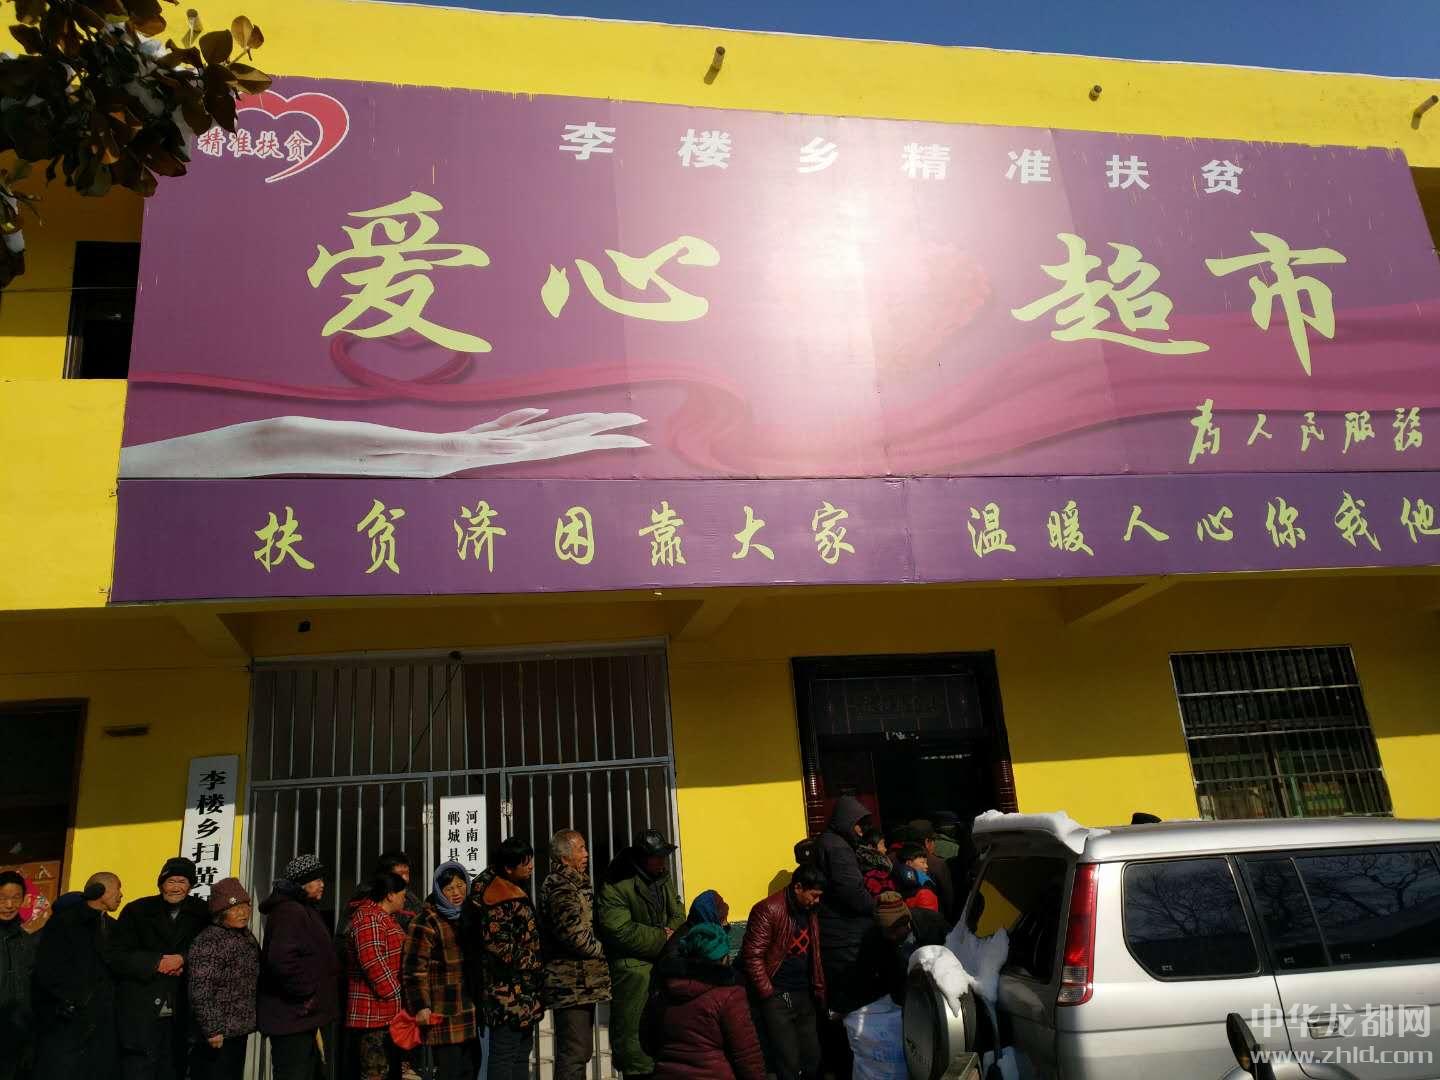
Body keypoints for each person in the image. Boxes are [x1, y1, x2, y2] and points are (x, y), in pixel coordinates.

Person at [109, 856, 210, 1080]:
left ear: (191, 886)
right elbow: (116, 955)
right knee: (138, 1069)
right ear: (161, 884)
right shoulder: (137, 910)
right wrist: (156, 962)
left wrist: (183, 959)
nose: (176, 887)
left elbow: (210, 949)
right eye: (171, 881)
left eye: (182, 882)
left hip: (183, 1009)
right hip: (141, 1008)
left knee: (173, 1068)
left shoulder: (203, 912)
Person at [597, 829, 686, 1078]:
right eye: (658, 857)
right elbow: (619, 930)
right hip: (633, 974)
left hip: (665, 968)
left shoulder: (662, 877)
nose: (663, 861)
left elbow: (678, 912)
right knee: (635, 1044)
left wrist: (672, 934)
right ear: (643, 858)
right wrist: (662, 937)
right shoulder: (615, 883)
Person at [740, 864, 827, 1080]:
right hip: (778, 995)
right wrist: (768, 993)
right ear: (798, 888)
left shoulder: (811, 910)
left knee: (812, 1056)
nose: (817, 901)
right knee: (788, 1059)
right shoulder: (768, 910)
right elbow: (752, 956)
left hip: (804, 992)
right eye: (814, 895)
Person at [32, 872, 123, 1080]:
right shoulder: (65, 923)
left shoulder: (115, 927)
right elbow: (48, 970)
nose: (121, 895)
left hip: (104, 1022)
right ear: (100, 891)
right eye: (118, 888)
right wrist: (73, 1000)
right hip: (68, 1020)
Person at [646, 923, 765, 1080]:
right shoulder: (729, 996)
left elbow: (648, 1042)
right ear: (724, 958)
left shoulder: (664, 990)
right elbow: (747, 1056)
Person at [258, 854, 339, 1080]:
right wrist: (307, 994)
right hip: (292, 1017)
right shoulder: (290, 911)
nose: (322, 884)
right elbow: (281, 961)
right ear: (302, 883)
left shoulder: (304, 908)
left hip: (302, 1017)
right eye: (316, 879)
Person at [811, 796, 876, 1078]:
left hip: (834, 935)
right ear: (847, 822)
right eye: (859, 824)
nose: (861, 831)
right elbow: (853, 894)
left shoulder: (827, 842)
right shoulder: (838, 848)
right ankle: (846, 1065)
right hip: (844, 939)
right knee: (850, 1007)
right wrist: (878, 905)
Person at [538, 830, 611, 1080]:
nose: (586, 854)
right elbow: (573, 934)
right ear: (564, 857)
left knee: (580, 1051)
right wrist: (603, 949)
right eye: (580, 848)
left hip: (582, 983)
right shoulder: (560, 886)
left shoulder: (575, 882)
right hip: (570, 984)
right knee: (574, 1053)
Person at [470, 839, 544, 1080]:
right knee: (504, 1055)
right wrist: (536, 960)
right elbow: (499, 947)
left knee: (521, 1053)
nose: (531, 866)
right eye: (525, 863)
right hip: (506, 993)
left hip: (524, 991)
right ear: (509, 868)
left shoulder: (511, 886)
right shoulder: (495, 898)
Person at [402, 863, 477, 1080]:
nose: (457, 893)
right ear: (439, 891)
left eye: (461, 886)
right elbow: (413, 968)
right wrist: (421, 1006)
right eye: (449, 888)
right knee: (450, 1072)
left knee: (470, 1070)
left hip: (471, 1010)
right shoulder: (426, 921)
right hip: (444, 1010)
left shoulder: (471, 915)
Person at [187, 878, 260, 1080]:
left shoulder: (245, 936)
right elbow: (201, 989)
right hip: (217, 1034)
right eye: (235, 908)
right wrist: (212, 1030)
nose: (243, 913)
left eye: (245, 906)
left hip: (238, 1029)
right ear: (220, 912)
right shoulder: (209, 941)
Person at [345, 871, 410, 1080]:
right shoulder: (369, 918)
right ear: (390, 895)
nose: (405, 899)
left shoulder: (384, 918)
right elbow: (372, 962)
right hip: (373, 1017)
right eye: (402, 894)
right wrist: (395, 991)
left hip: (386, 1015)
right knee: (376, 1073)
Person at [0, 870, 41, 1080]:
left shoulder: (27, 941)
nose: (9, 905)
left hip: (19, 1033)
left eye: (15, 898)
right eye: (2, 898)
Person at [906, 822, 956, 920]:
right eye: (933, 841)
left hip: (905, 919)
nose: (934, 845)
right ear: (927, 842)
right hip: (932, 920)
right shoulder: (937, 864)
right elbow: (947, 897)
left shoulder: (892, 858)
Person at [894, 845, 941, 914]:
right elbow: (929, 917)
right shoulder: (924, 890)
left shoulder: (894, 879)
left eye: (926, 863)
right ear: (909, 863)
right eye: (922, 862)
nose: (926, 866)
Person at [855, 827, 894, 899]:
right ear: (870, 847)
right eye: (882, 844)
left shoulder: (867, 865)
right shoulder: (874, 873)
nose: (885, 849)